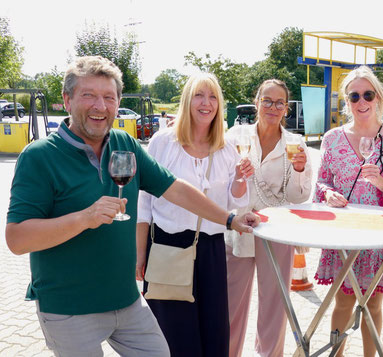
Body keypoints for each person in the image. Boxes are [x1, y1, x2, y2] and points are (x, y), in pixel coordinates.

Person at [4, 56, 259, 357]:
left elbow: (175, 189)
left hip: (126, 302)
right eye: (89, 95)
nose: (100, 106)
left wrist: (230, 219)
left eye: (109, 97)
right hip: (69, 308)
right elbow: (17, 239)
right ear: (67, 100)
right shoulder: (40, 156)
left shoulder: (124, 143)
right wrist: (84, 218)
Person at [135, 73, 252, 356]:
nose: (206, 103)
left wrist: (239, 178)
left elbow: (234, 204)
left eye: (213, 97)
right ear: (188, 100)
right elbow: (144, 203)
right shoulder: (164, 142)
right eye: (199, 95)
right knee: (175, 339)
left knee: (214, 336)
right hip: (167, 248)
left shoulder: (225, 148)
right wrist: (139, 254)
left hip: (211, 251)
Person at [314, 66, 383, 357]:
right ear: (346, 102)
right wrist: (328, 193)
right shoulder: (332, 139)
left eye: (367, 94)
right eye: (354, 96)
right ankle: (337, 355)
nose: (361, 102)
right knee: (343, 303)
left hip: (379, 235)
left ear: (379, 98)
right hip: (344, 234)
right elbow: (321, 182)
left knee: (373, 305)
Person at [224, 79, 312, 357]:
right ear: (257, 102)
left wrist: (299, 169)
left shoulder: (296, 144)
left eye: (279, 102)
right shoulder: (235, 136)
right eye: (267, 101)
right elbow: (220, 186)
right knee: (230, 304)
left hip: (277, 231)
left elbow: (299, 197)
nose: (272, 107)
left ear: (286, 108)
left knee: (275, 305)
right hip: (238, 227)